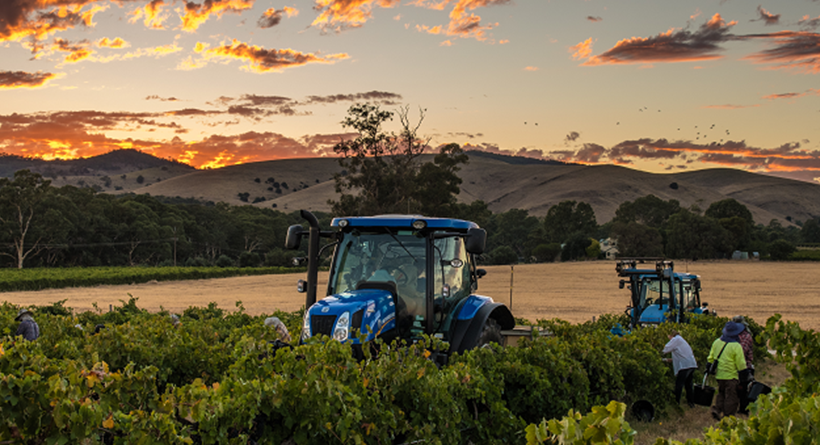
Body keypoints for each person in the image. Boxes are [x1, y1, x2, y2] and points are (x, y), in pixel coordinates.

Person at [708, 321, 747, 420]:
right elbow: (741, 363)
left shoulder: (717, 342)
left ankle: (717, 409)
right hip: (731, 376)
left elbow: (711, 358)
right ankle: (728, 416)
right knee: (731, 396)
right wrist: (744, 375)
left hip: (720, 375)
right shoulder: (736, 346)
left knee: (721, 393)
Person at [662, 329, 698, 408]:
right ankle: (691, 403)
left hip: (684, 366)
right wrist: (666, 360)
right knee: (688, 385)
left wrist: (656, 353)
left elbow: (665, 350)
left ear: (670, 335)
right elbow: (681, 356)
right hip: (691, 364)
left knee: (679, 385)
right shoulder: (681, 340)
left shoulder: (675, 340)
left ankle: (676, 403)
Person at [733, 315, 755, 414]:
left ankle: (743, 410)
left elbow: (742, 351)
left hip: (744, 367)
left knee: (743, 391)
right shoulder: (734, 335)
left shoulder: (746, 336)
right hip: (734, 366)